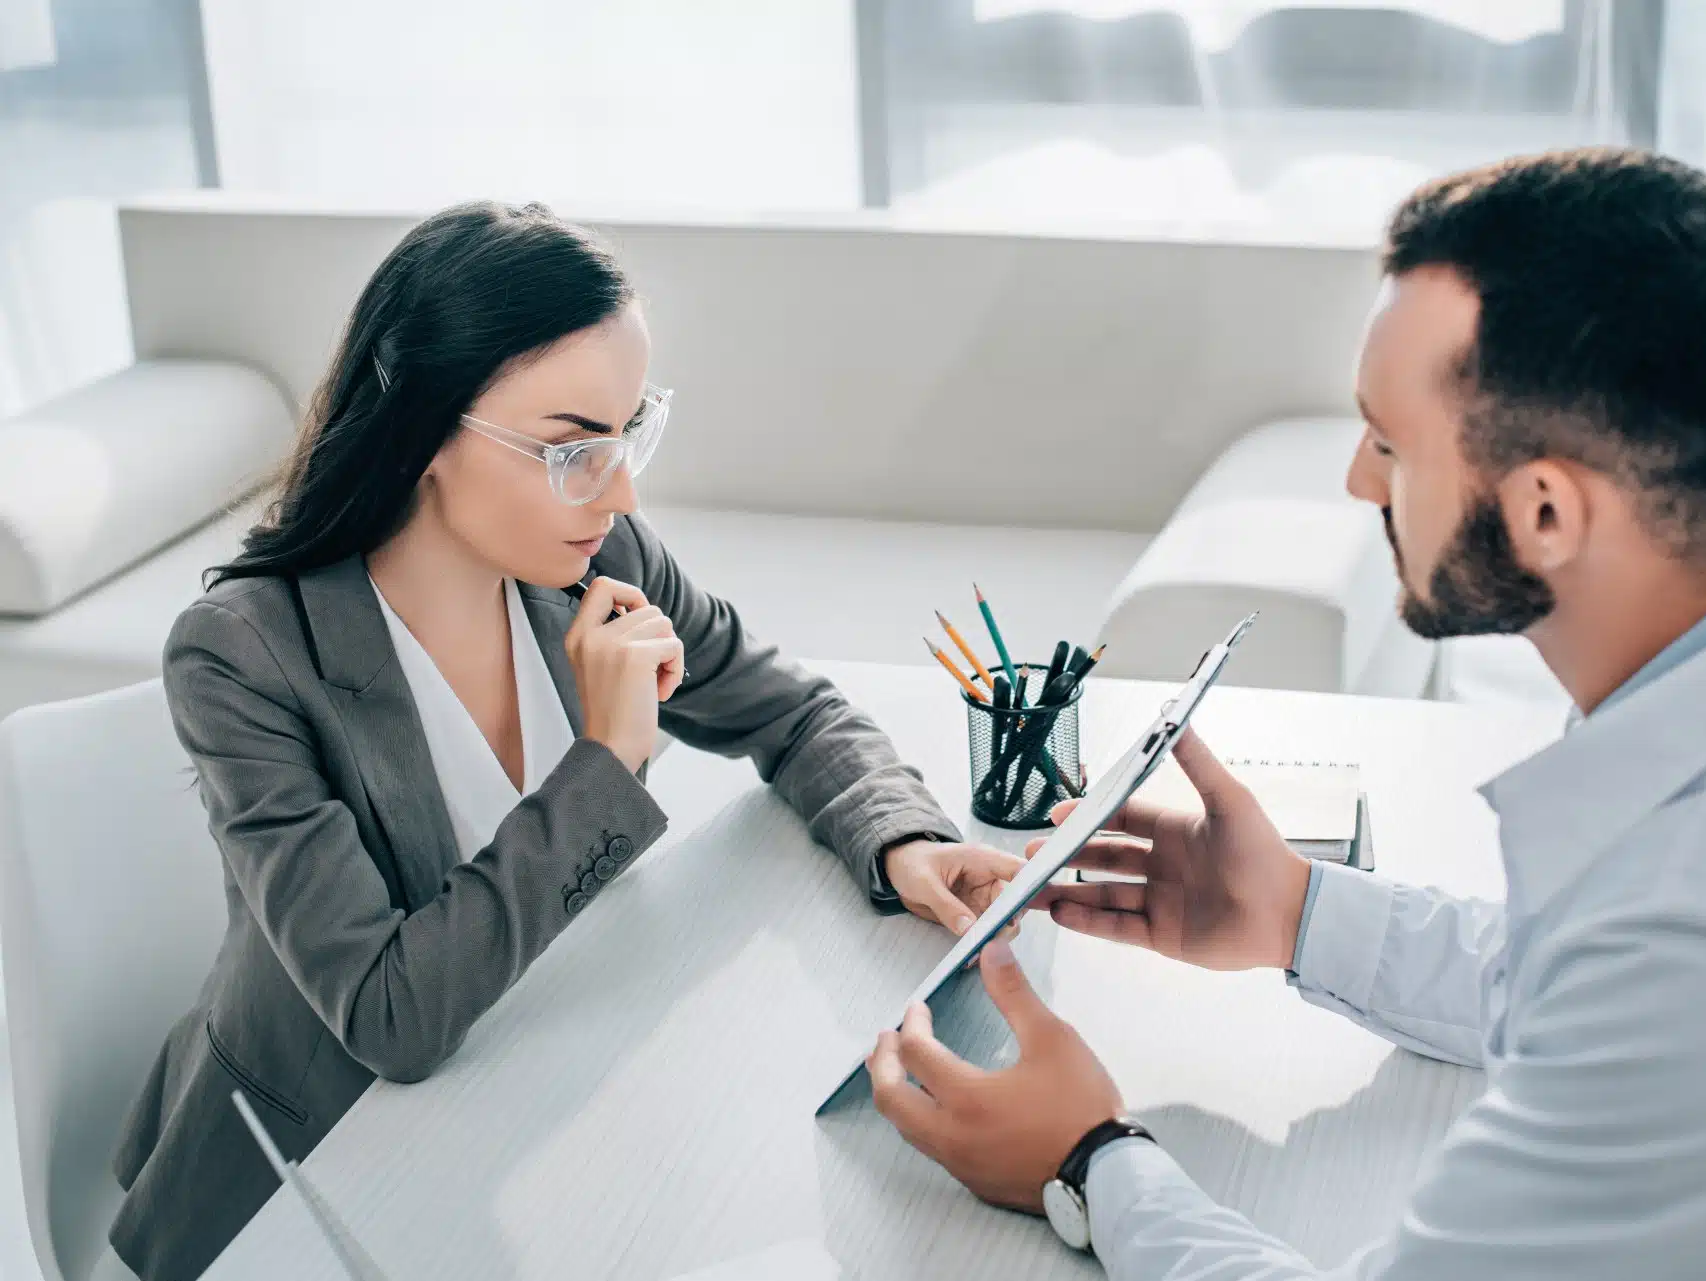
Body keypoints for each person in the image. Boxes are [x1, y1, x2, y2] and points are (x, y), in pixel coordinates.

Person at [867, 148, 1706, 1278]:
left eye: (1387, 443)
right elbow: (1568, 981)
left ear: (1548, 510)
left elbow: (1653, 995)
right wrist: (1295, 911)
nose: (1361, 486)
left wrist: (1087, 1160)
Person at [108, 201, 1023, 1281]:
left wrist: (899, 839)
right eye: (570, 448)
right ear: (422, 429)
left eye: (630, 431)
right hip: (317, 1172)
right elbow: (391, 1019)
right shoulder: (243, 655)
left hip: (540, 1087)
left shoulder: (598, 549)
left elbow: (791, 708)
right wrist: (608, 759)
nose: (622, 489)